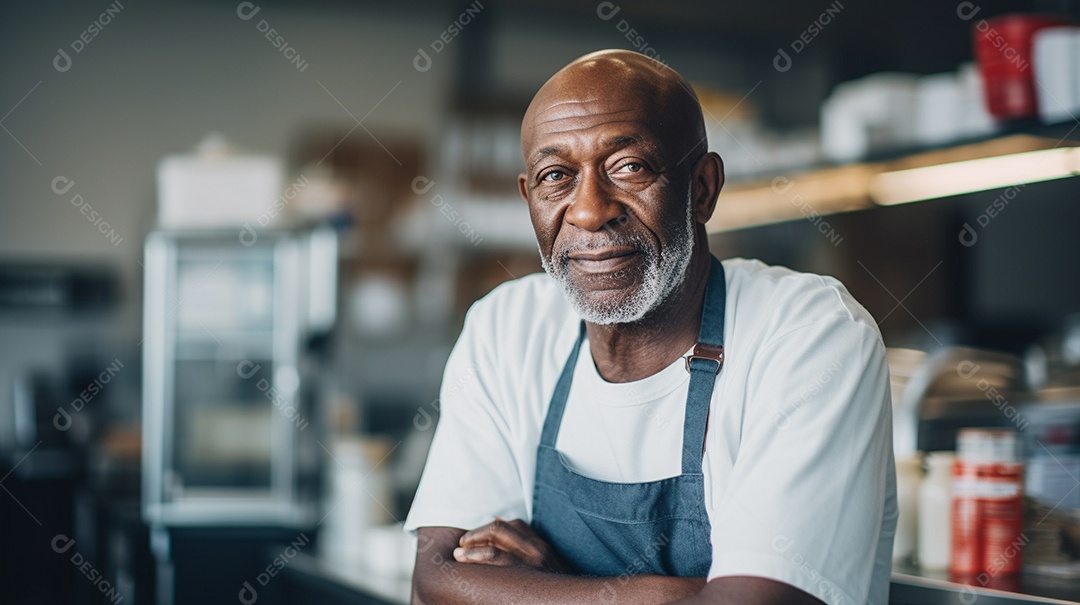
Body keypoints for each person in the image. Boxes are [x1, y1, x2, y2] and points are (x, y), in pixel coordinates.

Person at [405, 49, 896, 605]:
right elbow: (435, 583)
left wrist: (550, 583)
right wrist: (680, 594)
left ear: (703, 188)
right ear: (529, 198)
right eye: (556, 176)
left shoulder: (811, 335)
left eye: (629, 167)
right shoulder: (505, 328)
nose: (589, 211)